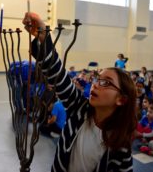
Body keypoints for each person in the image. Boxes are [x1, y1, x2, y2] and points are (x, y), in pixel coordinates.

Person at [23, 12, 136, 172]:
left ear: (121, 100)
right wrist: (43, 36)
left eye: (106, 83)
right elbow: (58, 75)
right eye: (97, 79)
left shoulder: (120, 147)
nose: (96, 85)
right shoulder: (79, 108)